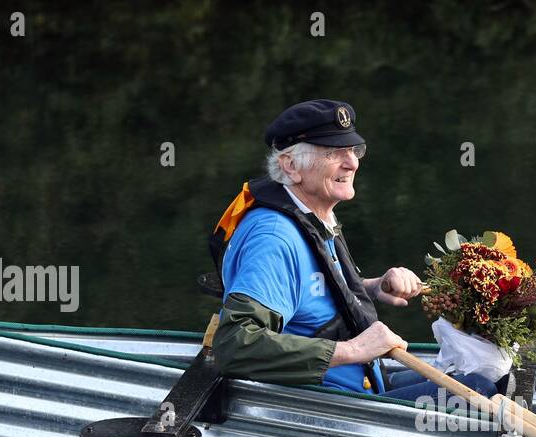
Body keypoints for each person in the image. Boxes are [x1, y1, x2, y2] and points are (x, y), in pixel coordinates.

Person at [208, 99, 497, 401]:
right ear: (290, 166)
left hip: (363, 380)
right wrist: (353, 350)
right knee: (479, 390)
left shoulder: (312, 214)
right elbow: (235, 345)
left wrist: (372, 287)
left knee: (489, 377)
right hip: (327, 400)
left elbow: (310, 293)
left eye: (353, 150)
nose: (352, 163)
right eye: (334, 153)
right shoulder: (274, 239)